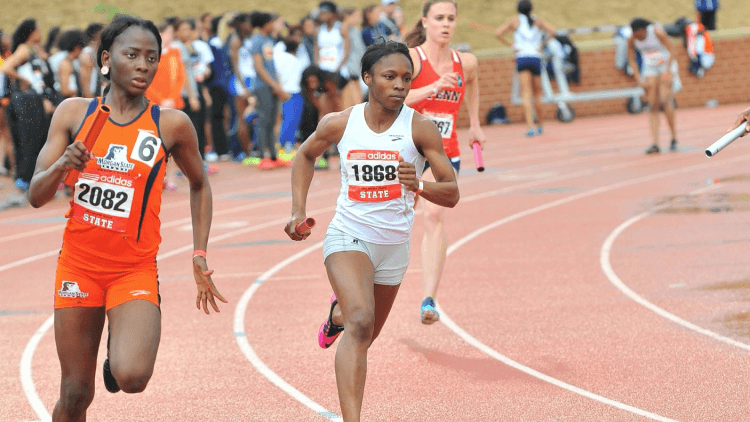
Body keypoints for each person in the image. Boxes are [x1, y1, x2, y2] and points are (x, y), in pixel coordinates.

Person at [26, 15, 225, 421]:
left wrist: (199, 251)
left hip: (132, 269)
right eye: (131, 55)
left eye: (151, 58)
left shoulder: (169, 124)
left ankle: (124, 330)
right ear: (106, 58)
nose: (143, 66)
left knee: (131, 376)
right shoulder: (73, 114)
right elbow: (35, 196)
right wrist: (64, 163)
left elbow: (200, 184)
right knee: (76, 392)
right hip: (79, 267)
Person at [285, 40, 459, 422]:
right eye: (389, 76)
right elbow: (305, 156)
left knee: (363, 335)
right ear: (367, 78)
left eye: (406, 78)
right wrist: (298, 210)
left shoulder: (420, 128)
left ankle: (336, 315)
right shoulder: (341, 123)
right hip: (349, 235)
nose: (399, 85)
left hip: (393, 246)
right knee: (361, 322)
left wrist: (420, 186)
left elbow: (452, 192)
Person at [403, 0, 486, 325]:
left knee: (434, 213)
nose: (446, 24)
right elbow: (392, 97)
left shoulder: (465, 62)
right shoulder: (411, 59)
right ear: (425, 22)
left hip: (444, 151)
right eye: (439, 18)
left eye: (451, 18)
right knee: (393, 220)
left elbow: (474, 86)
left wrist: (476, 123)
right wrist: (434, 86)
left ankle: (428, 299)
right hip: (408, 151)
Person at [1, 18, 58, 192]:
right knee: (30, 140)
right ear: (31, 32)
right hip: (27, 102)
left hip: (37, 100)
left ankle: (34, 178)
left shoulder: (34, 49)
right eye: (38, 29)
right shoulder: (23, 50)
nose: (40, 32)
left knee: (41, 139)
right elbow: (7, 67)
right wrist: (23, 80)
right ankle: (25, 179)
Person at [495, 0, 555, 137]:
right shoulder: (538, 21)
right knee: (537, 94)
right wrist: (542, 44)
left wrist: (511, 45)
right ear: (531, 9)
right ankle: (540, 124)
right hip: (535, 58)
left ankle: (530, 126)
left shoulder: (514, 21)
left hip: (522, 58)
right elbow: (552, 31)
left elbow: (498, 32)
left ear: (518, 10)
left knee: (526, 93)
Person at [627, 18, 679, 154]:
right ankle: (655, 143)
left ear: (644, 30)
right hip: (650, 67)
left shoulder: (657, 33)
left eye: (640, 35)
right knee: (652, 103)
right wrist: (638, 77)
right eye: (636, 36)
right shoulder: (632, 39)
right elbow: (631, 58)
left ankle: (673, 137)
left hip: (665, 65)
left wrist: (667, 71)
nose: (639, 38)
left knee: (664, 100)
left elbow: (672, 49)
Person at [250, 11, 289, 170]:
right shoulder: (257, 41)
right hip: (263, 85)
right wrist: (274, 86)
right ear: (264, 24)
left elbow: (271, 65)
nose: (273, 25)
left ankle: (273, 155)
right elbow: (259, 67)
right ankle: (262, 156)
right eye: (271, 22)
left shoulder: (269, 40)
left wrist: (278, 86)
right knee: (264, 119)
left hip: (272, 84)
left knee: (273, 120)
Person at [53, 30, 86, 99]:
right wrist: (80, 92)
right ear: (77, 48)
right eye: (81, 49)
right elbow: (65, 91)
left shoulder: (71, 63)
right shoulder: (65, 65)